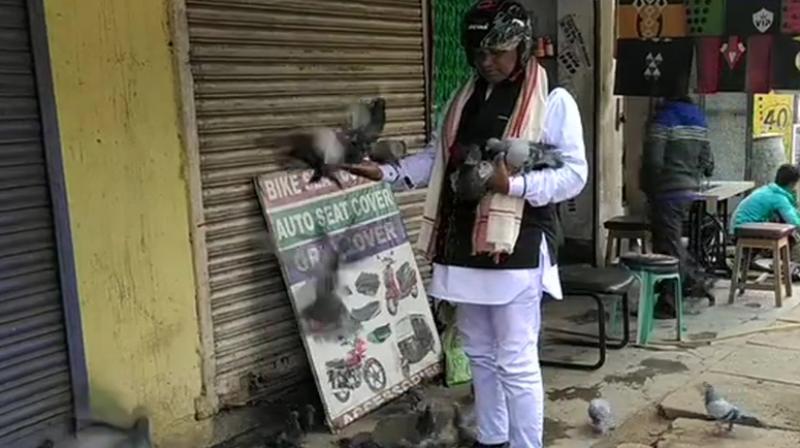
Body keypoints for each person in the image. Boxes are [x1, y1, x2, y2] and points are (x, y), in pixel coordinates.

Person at [345, 1, 587, 446]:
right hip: (461, 238)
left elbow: (573, 175)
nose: (486, 62)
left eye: (497, 52)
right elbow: (440, 158)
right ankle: (491, 439)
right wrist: (389, 174)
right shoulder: (464, 99)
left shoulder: (553, 100)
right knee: (478, 350)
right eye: (478, 53)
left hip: (517, 240)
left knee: (515, 357)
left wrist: (509, 184)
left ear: (523, 47)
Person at [640, 93, 714, 318]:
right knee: (671, 241)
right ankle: (692, 281)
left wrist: (650, 187)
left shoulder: (663, 119)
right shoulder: (700, 120)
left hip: (666, 191)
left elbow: (653, 160)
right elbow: (709, 163)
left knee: (668, 246)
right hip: (688, 191)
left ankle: (672, 299)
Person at [732, 164, 800, 230]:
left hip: (738, 224)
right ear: (792, 183)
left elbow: (792, 212)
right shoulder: (779, 197)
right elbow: (793, 222)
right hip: (744, 226)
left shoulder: (770, 190)